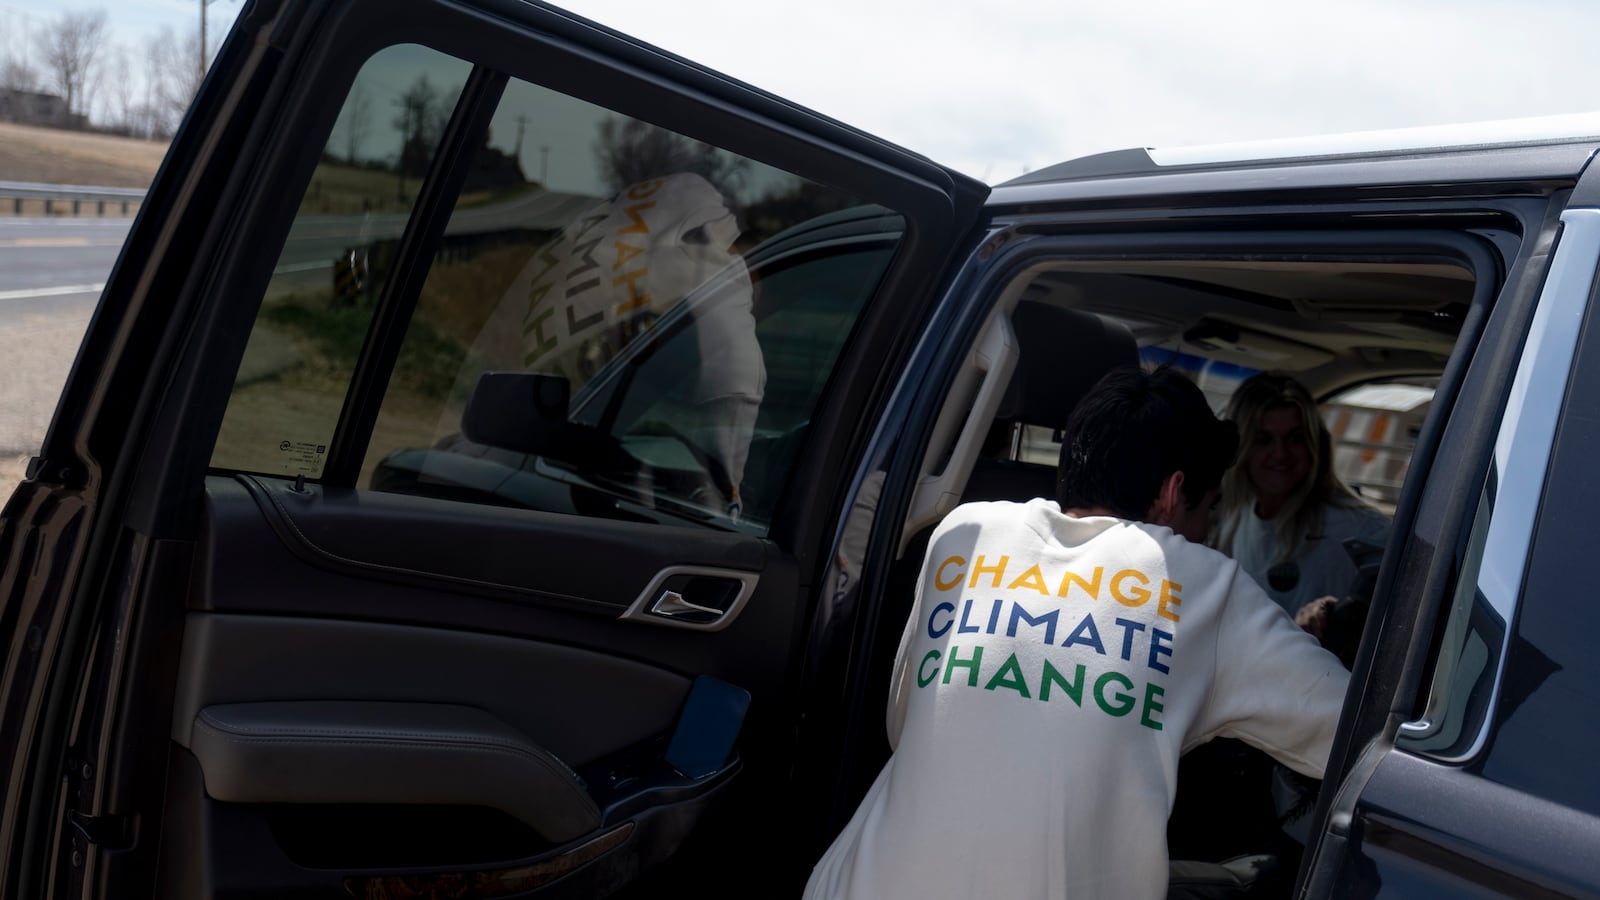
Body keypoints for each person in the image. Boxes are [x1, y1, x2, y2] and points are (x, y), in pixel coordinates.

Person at [804, 366, 1350, 900]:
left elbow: (909, 728)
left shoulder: (963, 534)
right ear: (1172, 492)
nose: (1207, 532)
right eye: (1210, 509)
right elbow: (1355, 740)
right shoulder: (1204, 585)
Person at [1210, 372, 1391, 630]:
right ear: (1243, 447)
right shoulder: (1235, 521)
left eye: (1295, 439)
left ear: (1314, 444)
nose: (1280, 454)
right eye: (1264, 440)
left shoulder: (1363, 529)